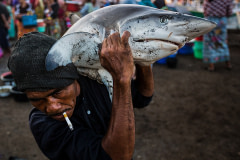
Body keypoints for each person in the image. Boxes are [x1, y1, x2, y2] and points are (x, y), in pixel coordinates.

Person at [8, 31, 154, 160]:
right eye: (36, 99)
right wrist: (122, 79)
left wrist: (143, 58)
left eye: (57, 93)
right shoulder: (43, 124)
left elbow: (143, 98)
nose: (52, 107)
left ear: (74, 78)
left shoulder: (99, 81)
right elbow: (117, 157)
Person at [203, 0, 233, 71]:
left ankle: (211, 66)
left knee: (210, 43)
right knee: (222, 42)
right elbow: (229, 12)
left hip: (210, 22)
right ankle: (228, 64)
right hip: (221, 22)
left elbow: (205, 11)